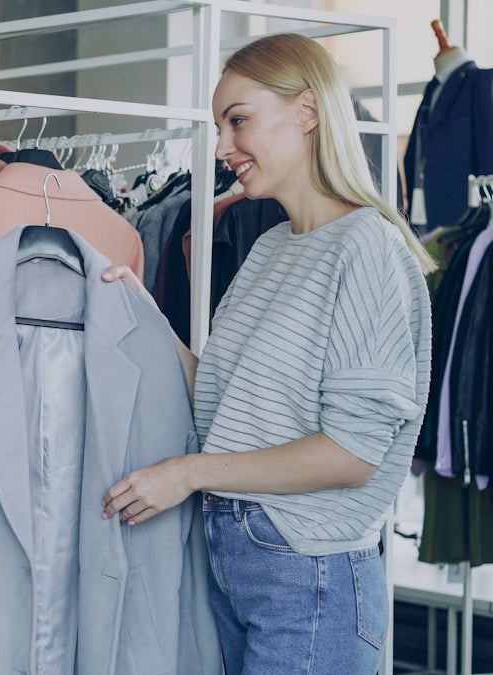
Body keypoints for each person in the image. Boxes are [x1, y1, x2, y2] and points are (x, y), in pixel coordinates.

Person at [100, 33, 433, 674]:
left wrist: (189, 472)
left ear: (307, 112)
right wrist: (142, 315)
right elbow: (224, 402)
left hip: (312, 576)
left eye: (238, 121)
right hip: (239, 559)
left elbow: (352, 456)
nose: (224, 149)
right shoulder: (270, 248)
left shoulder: (368, 248)